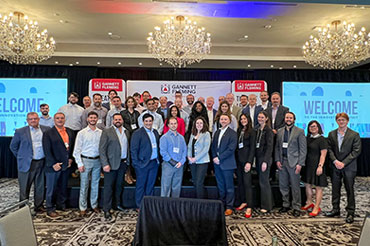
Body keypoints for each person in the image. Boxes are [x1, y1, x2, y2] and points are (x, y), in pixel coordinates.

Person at [10, 112, 50, 214]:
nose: (33, 121)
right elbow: (13, 146)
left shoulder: (46, 129)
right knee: (25, 187)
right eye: (31, 119)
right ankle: (23, 209)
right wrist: (22, 157)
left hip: (41, 162)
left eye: (35, 119)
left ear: (38, 119)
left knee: (40, 186)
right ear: (27, 121)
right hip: (27, 163)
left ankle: (39, 205)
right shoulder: (20, 131)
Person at [326, 112, 361, 224]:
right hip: (335, 166)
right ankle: (335, 209)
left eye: (343, 120)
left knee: (349, 189)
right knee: (335, 189)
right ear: (336, 121)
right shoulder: (331, 134)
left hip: (349, 167)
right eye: (339, 120)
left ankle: (350, 212)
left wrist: (344, 163)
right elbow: (329, 149)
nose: (341, 122)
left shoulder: (354, 134)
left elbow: (356, 151)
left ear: (347, 121)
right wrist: (335, 161)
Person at [42, 112, 75, 218]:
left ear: (64, 119)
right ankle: (50, 208)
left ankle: (61, 205)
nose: (60, 120)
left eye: (62, 118)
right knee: (51, 188)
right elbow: (47, 150)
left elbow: (71, 147)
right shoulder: (48, 133)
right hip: (53, 166)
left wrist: (70, 159)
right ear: (54, 120)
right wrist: (53, 164)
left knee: (63, 186)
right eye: (57, 118)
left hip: (66, 165)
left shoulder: (69, 131)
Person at [99, 113, 130, 221]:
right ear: (112, 121)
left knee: (118, 186)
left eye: (119, 119)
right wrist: (105, 164)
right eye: (116, 119)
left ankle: (117, 205)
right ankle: (106, 209)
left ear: (122, 120)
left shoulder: (126, 132)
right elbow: (102, 150)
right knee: (108, 187)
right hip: (110, 165)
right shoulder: (107, 131)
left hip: (122, 163)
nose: (118, 121)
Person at [275, 112, 307, 217]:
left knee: (295, 186)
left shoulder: (300, 131)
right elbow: (277, 147)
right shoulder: (280, 131)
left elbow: (303, 149)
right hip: (282, 161)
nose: (288, 119)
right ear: (284, 119)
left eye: (290, 118)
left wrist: (300, 164)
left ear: (294, 119)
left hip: (294, 163)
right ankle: (285, 204)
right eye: (287, 117)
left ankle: (296, 207)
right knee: (283, 185)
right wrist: (277, 160)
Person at [73, 111, 102, 216]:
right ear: (87, 119)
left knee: (95, 184)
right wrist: (79, 164)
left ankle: (94, 205)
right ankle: (83, 207)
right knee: (84, 185)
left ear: (97, 119)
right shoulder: (82, 133)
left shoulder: (101, 132)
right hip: (85, 161)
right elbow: (76, 150)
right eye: (91, 118)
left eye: (95, 118)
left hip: (97, 161)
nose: (93, 119)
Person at [130, 113, 160, 209]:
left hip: (154, 163)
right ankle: (139, 206)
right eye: (146, 121)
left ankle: (148, 205)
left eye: (150, 121)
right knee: (140, 186)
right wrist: (136, 164)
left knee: (150, 185)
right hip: (142, 164)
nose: (148, 123)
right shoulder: (137, 133)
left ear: (152, 122)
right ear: (143, 122)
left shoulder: (155, 132)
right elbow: (133, 150)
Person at [211, 113, 238, 216]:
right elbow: (213, 146)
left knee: (229, 186)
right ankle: (221, 204)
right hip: (217, 163)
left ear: (229, 121)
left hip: (227, 164)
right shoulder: (217, 132)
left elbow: (231, 149)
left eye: (225, 119)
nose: (223, 121)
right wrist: (214, 157)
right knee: (220, 186)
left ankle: (229, 206)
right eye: (222, 119)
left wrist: (219, 158)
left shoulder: (232, 133)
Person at [301, 120, 328, 217]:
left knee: (318, 187)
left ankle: (316, 206)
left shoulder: (322, 139)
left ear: (319, 128)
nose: (313, 128)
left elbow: (323, 155)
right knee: (307, 184)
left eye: (315, 126)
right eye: (311, 126)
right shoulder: (307, 138)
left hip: (317, 166)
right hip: (307, 165)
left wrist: (320, 166)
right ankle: (309, 202)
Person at [160, 117, 187, 197]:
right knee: (166, 187)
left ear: (177, 124)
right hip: (168, 165)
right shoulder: (164, 137)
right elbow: (163, 152)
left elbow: (184, 151)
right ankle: (164, 207)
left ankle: (174, 207)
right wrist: (173, 162)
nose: (173, 125)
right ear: (168, 125)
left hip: (179, 166)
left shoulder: (181, 138)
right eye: (171, 123)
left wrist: (181, 162)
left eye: (175, 123)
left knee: (176, 187)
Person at [235, 114, 256, 218]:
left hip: (247, 160)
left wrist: (249, 162)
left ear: (248, 120)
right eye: (241, 119)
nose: (243, 120)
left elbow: (252, 148)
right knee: (240, 182)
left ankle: (249, 206)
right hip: (238, 160)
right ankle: (243, 201)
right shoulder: (239, 131)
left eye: (245, 119)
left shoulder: (252, 132)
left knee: (247, 183)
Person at [254, 111, 274, 213]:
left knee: (264, 182)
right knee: (261, 181)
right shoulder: (257, 129)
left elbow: (270, 147)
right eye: (259, 117)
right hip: (258, 158)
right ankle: (266, 203)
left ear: (266, 118)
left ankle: (266, 206)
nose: (260, 119)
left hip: (265, 159)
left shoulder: (269, 130)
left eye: (262, 117)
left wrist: (265, 161)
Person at [187, 116, 211, 199]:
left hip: (202, 162)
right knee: (194, 182)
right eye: (197, 123)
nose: (199, 124)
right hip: (193, 162)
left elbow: (205, 149)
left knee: (199, 183)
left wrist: (195, 158)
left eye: (201, 123)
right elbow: (189, 147)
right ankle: (197, 202)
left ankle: (202, 203)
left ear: (204, 124)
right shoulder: (192, 134)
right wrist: (189, 157)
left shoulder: (206, 134)